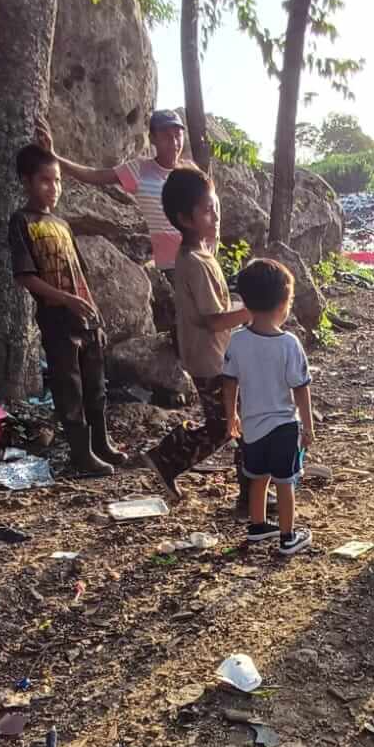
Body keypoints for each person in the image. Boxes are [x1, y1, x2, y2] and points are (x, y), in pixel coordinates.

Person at [9, 144, 125, 478]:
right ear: (26, 181)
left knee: (95, 385)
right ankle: (81, 453)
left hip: (85, 317)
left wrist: (94, 313)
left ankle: (101, 443)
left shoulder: (61, 223)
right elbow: (25, 277)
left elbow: (80, 273)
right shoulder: (21, 221)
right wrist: (65, 299)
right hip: (56, 319)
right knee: (69, 387)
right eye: (45, 180)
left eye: (57, 180)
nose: (54, 188)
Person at [143, 165, 251, 502]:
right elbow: (213, 320)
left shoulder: (200, 253)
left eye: (216, 207)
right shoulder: (195, 262)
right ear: (185, 219)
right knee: (229, 425)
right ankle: (168, 457)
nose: (215, 216)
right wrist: (252, 311)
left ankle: (250, 488)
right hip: (211, 361)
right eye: (207, 210)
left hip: (214, 356)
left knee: (234, 421)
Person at [222, 259, 315, 557]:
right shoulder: (289, 344)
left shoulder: (237, 341)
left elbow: (229, 382)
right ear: (283, 304)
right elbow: (300, 388)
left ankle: (258, 525)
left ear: (246, 301)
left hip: (251, 426)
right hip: (284, 426)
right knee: (286, 482)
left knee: (257, 477)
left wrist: (231, 416)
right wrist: (308, 426)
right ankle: (288, 537)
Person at [35, 108, 187, 281]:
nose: (174, 142)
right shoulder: (140, 169)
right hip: (171, 265)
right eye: (166, 136)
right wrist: (54, 157)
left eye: (178, 135)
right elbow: (95, 175)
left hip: (200, 258)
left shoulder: (190, 172)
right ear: (152, 138)